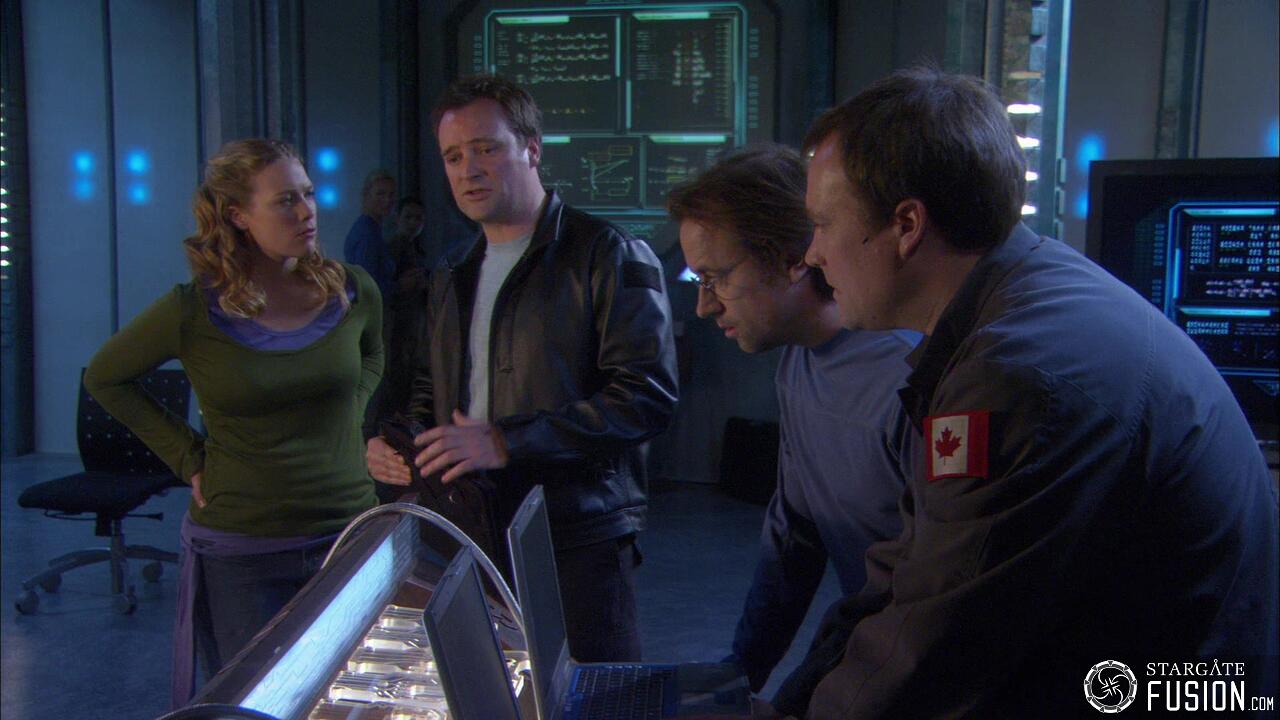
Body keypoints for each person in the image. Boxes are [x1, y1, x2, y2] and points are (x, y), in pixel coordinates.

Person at [765, 66, 1279, 718]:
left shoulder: (1017, 378)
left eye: (822, 224)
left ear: (907, 224)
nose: (812, 254)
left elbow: (933, 650)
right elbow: (906, 579)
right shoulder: (1019, 297)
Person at [365, 74, 679, 662]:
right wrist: (398, 445)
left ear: (532, 149)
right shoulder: (453, 269)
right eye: (453, 157)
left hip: (573, 535)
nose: (468, 170)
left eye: (486, 149)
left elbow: (645, 397)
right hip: (469, 531)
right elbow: (433, 388)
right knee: (490, 692)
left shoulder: (607, 253)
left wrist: (508, 440)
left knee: (590, 693)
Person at [83, 139, 389, 706]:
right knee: (254, 704)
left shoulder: (352, 289)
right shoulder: (195, 309)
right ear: (238, 216)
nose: (307, 212)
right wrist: (186, 457)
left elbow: (372, 354)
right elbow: (106, 377)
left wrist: (352, 409)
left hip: (347, 533)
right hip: (245, 549)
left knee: (350, 704)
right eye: (285, 201)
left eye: (308, 194)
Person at [666, 145, 919, 693]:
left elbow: (928, 601)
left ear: (792, 258)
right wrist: (740, 673)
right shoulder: (799, 363)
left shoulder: (908, 383)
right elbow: (794, 536)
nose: (705, 306)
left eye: (716, 278)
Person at [343, 168, 397, 297]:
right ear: (366, 195)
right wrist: (400, 286)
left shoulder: (373, 229)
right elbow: (367, 286)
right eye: (380, 194)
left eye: (391, 195)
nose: (387, 200)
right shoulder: (367, 233)